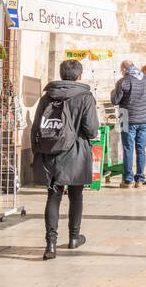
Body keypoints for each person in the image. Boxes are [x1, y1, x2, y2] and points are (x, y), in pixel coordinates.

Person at [31, 59, 99, 260]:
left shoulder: (47, 96)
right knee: (76, 196)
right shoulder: (85, 96)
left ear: (61, 75)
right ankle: (74, 237)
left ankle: (50, 244)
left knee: (53, 196)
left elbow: (37, 127)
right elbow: (92, 129)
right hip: (76, 151)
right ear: (79, 76)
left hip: (51, 152)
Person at [111, 59, 146, 188]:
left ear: (124, 69)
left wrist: (113, 91)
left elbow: (115, 100)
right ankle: (139, 179)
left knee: (128, 149)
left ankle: (128, 180)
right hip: (144, 120)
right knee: (141, 149)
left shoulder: (124, 81)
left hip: (127, 119)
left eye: (121, 70)